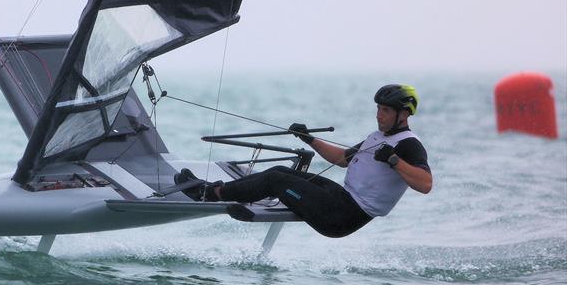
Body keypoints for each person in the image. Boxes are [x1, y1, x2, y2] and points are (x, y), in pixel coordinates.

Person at [174, 84, 433, 238]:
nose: (379, 115)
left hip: (343, 217)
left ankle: (209, 193)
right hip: (342, 198)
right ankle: (219, 189)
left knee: (276, 180)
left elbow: (425, 184)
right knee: (280, 170)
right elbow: (342, 159)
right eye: (378, 109)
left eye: (385, 110)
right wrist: (308, 139)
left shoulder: (409, 144)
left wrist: (395, 161)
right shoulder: (378, 136)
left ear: (403, 114)